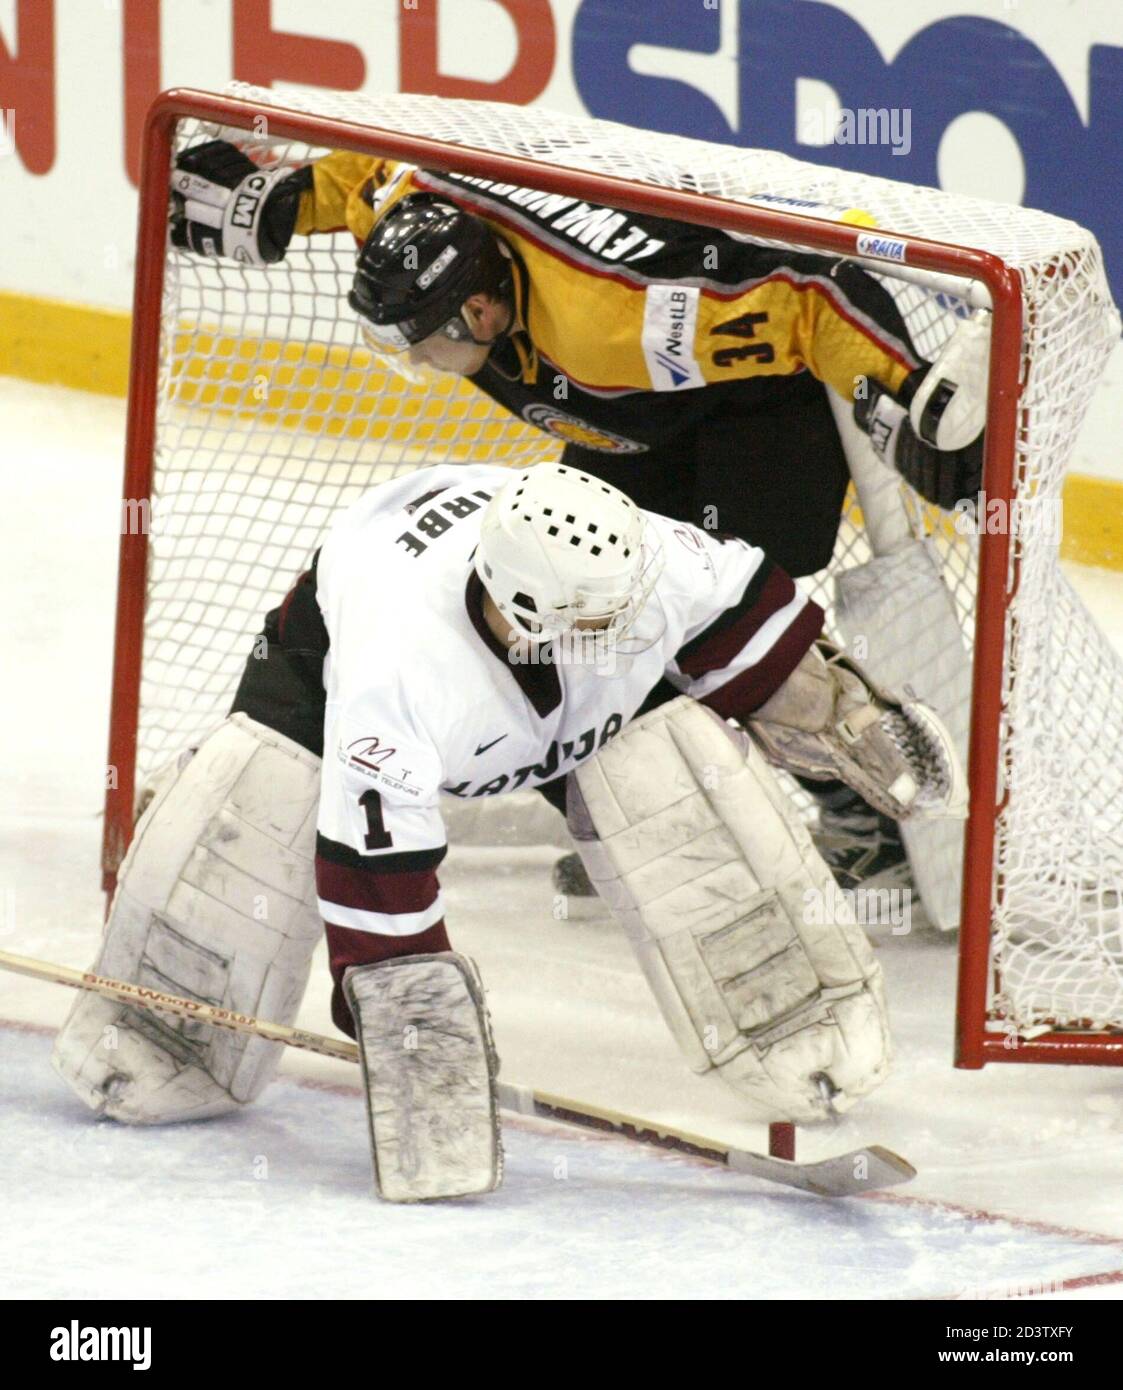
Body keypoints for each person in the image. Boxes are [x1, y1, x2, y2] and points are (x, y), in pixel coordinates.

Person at [53, 463, 960, 1200]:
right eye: (612, 616)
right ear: (529, 617)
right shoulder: (396, 672)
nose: (637, 618)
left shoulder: (639, 567)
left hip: (565, 689)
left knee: (677, 781)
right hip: (322, 671)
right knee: (263, 812)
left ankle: (797, 1026)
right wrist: (408, 1021)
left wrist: (841, 710)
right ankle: (159, 1030)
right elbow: (377, 873)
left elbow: (746, 622)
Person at [168, 138, 986, 894]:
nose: (417, 360)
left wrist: (903, 394)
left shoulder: (613, 317)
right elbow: (363, 183)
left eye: (424, 340)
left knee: (717, 620)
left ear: (482, 311)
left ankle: (862, 826)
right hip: (632, 416)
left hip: (756, 417)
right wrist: (279, 199)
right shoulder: (416, 219)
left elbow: (812, 294)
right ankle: (656, 819)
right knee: (586, 603)